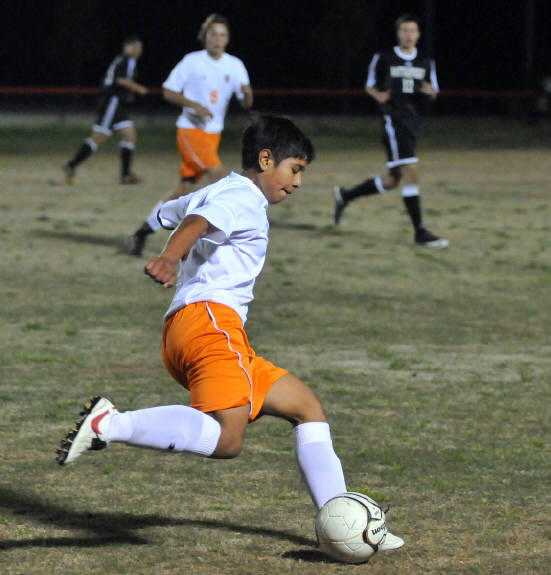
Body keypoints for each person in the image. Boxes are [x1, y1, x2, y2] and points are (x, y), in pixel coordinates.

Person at [55, 116, 404, 552]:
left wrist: (168, 227)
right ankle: (110, 423)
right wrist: (170, 257)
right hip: (210, 325)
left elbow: (173, 212)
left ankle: (344, 521)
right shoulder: (242, 196)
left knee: (306, 408)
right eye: (295, 169)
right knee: (227, 439)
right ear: (266, 159)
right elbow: (198, 222)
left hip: (199, 328)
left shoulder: (222, 190)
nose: (298, 182)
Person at [126, 13, 253, 256]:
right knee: (220, 178)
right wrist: (194, 106)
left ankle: (142, 232)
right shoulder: (192, 61)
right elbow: (168, 91)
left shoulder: (235, 65)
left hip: (212, 136)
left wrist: (247, 94)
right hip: (190, 131)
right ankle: (222, 242)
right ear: (205, 37)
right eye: (213, 34)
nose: (218, 39)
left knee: (183, 190)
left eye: (222, 35)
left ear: (227, 39)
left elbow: (246, 103)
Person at [333, 14, 448, 248]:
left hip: (412, 122)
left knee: (392, 180)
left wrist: (431, 93)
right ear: (398, 34)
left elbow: (434, 90)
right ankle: (420, 232)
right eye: (404, 30)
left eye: (412, 31)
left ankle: (345, 196)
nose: (408, 35)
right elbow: (369, 85)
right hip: (393, 122)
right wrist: (379, 95)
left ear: (418, 34)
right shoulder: (384, 58)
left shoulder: (426, 62)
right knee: (411, 173)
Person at [63, 35, 148, 185]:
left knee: (129, 135)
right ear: (128, 47)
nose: (139, 50)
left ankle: (125, 175)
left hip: (118, 104)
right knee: (99, 137)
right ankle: (71, 165)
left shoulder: (123, 60)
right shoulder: (127, 60)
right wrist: (139, 88)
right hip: (112, 103)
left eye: (140, 47)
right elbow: (120, 80)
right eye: (137, 47)